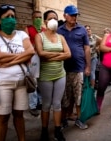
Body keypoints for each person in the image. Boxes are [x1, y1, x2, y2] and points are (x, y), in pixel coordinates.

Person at [0, 4, 35, 141]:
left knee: (19, 115)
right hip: (3, 83)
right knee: (3, 117)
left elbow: (31, 52)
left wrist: (9, 61)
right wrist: (21, 56)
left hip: (22, 82)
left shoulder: (22, 34)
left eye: (13, 16)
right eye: (7, 17)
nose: (11, 19)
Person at [35, 10, 71, 141]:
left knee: (57, 104)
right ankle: (44, 131)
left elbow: (68, 54)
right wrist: (59, 56)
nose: (53, 21)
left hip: (60, 74)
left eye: (55, 18)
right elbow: (40, 53)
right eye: (50, 18)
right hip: (45, 76)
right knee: (46, 104)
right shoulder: (40, 36)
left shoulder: (61, 37)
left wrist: (50, 56)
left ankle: (57, 130)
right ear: (45, 21)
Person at [57, 5, 91, 130]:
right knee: (65, 97)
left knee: (78, 96)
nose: (74, 17)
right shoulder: (59, 31)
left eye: (76, 15)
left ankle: (79, 119)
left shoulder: (82, 29)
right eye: (72, 15)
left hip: (79, 68)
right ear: (65, 15)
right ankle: (64, 119)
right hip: (63, 70)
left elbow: (87, 48)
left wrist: (88, 66)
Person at [24, 11, 44, 117]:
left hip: (42, 58)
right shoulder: (28, 29)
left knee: (41, 81)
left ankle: (39, 102)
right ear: (32, 18)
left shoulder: (44, 30)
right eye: (36, 17)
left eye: (40, 17)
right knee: (33, 82)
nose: (38, 19)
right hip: (33, 58)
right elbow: (26, 43)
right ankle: (32, 105)